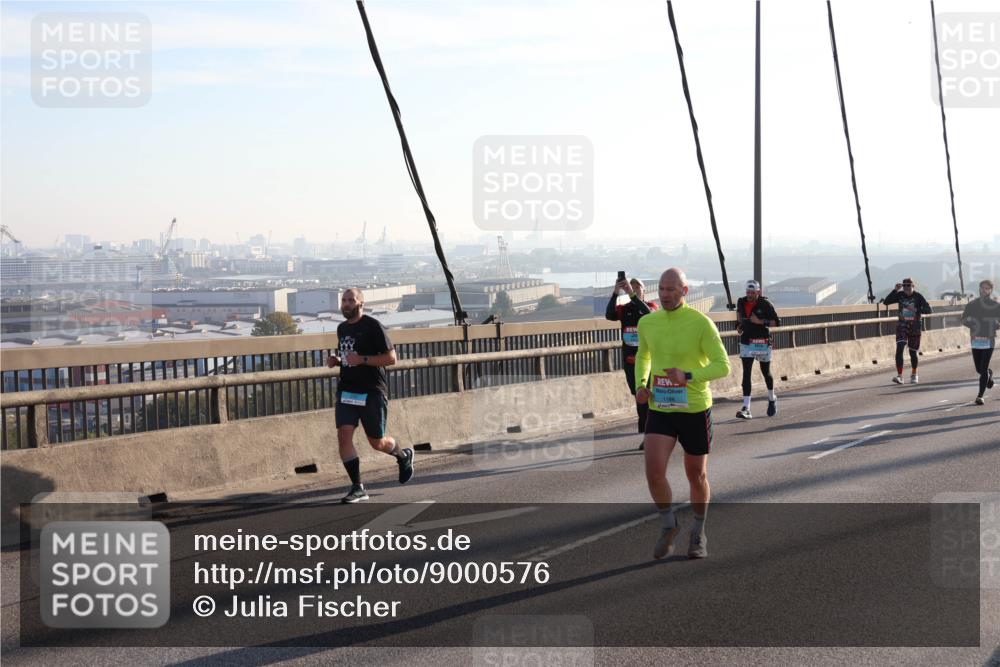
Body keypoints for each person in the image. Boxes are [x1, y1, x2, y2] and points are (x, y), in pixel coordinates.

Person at [635, 268, 730, 560]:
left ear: (684, 291)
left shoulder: (701, 324)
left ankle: (698, 532)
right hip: (661, 406)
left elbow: (722, 365)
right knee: (653, 471)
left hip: (693, 408)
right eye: (661, 289)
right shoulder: (647, 322)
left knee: (696, 475)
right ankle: (668, 525)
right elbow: (644, 355)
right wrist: (641, 383)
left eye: (671, 289)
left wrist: (687, 375)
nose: (664, 294)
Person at [327, 288, 413, 503]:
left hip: (372, 391)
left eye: (350, 300)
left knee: (377, 442)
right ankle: (357, 487)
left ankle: (403, 456)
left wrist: (363, 360)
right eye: (343, 301)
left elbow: (391, 358)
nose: (346, 304)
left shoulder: (373, 326)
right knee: (343, 435)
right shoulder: (342, 328)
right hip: (347, 390)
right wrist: (337, 361)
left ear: (360, 303)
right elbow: (350, 357)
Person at [606, 276, 658, 450]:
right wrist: (616, 292)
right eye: (631, 287)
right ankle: (648, 433)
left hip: (649, 360)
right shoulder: (624, 308)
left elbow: (649, 314)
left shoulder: (650, 307)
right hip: (630, 361)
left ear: (644, 290)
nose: (634, 290)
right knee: (639, 397)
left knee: (648, 396)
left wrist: (633, 296)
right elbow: (609, 314)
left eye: (637, 288)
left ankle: (651, 435)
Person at [735, 280, 781, 419]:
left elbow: (777, 323)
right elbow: (739, 318)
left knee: (765, 372)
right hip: (747, 341)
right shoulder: (741, 302)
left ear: (758, 292)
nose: (749, 295)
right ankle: (746, 407)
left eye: (752, 292)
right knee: (746, 373)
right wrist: (738, 326)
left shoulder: (765, 304)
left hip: (762, 341)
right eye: (748, 292)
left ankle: (772, 398)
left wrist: (760, 322)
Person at [881, 278, 932, 384]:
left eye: (909, 285)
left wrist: (916, 310)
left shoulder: (918, 296)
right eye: (904, 286)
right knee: (899, 348)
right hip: (902, 326)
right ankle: (900, 376)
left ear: (913, 286)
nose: (906, 288)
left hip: (915, 327)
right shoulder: (900, 295)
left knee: (912, 352)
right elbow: (886, 302)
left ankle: (914, 374)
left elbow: (929, 310)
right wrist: (895, 290)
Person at [961, 279, 998, 405]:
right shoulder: (972, 304)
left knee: (982, 370)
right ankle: (989, 374)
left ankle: (980, 396)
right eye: (982, 288)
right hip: (976, 339)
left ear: (991, 290)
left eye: (987, 288)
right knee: (979, 369)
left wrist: (995, 325)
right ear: (979, 289)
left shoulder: (995, 305)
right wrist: (971, 324)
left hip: (989, 340)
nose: (984, 290)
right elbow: (964, 319)